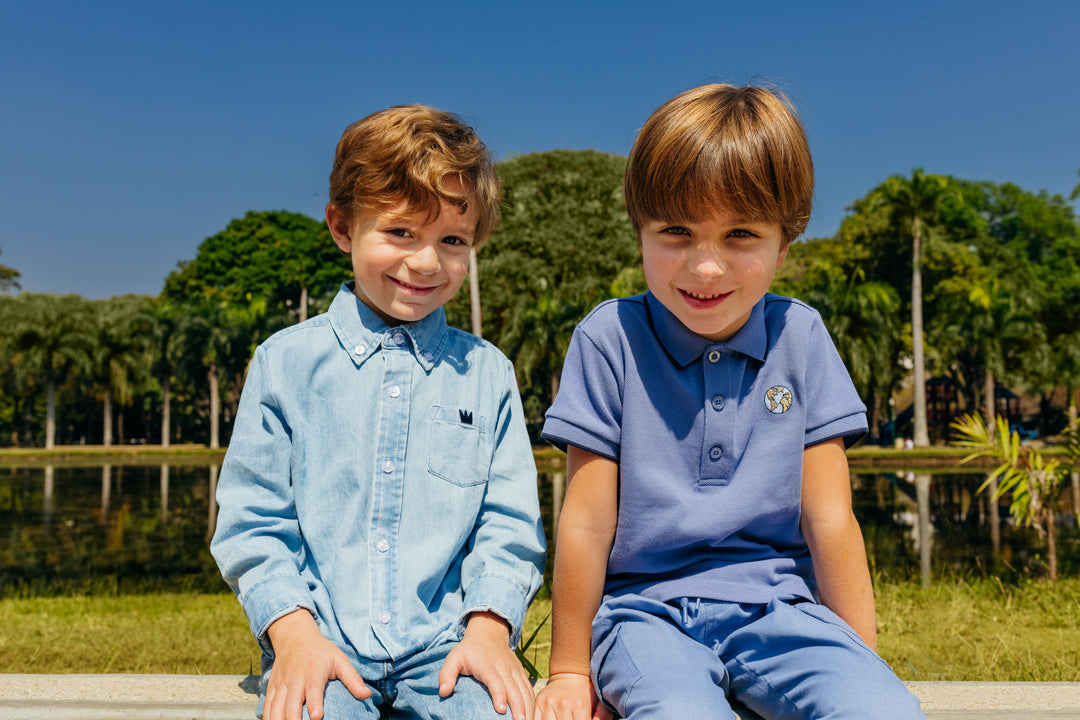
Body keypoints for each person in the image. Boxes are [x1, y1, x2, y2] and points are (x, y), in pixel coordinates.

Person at [535, 84, 926, 720]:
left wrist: (862, 660)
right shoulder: (609, 340)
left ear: (785, 241)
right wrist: (570, 670)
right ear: (640, 230)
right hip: (644, 614)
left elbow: (830, 520)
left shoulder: (800, 336)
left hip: (782, 609)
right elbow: (585, 522)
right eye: (676, 232)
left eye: (741, 234)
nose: (706, 267)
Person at [211, 104, 545, 720]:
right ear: (342, 228)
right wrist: (293, 635)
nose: (425, 262)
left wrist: (490, 631)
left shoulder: (488, 374)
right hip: (322, 642)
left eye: (452, 240)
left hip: (449, 646)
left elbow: (508, 522)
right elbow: (253, 520)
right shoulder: (284, 365)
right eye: (400, 233)